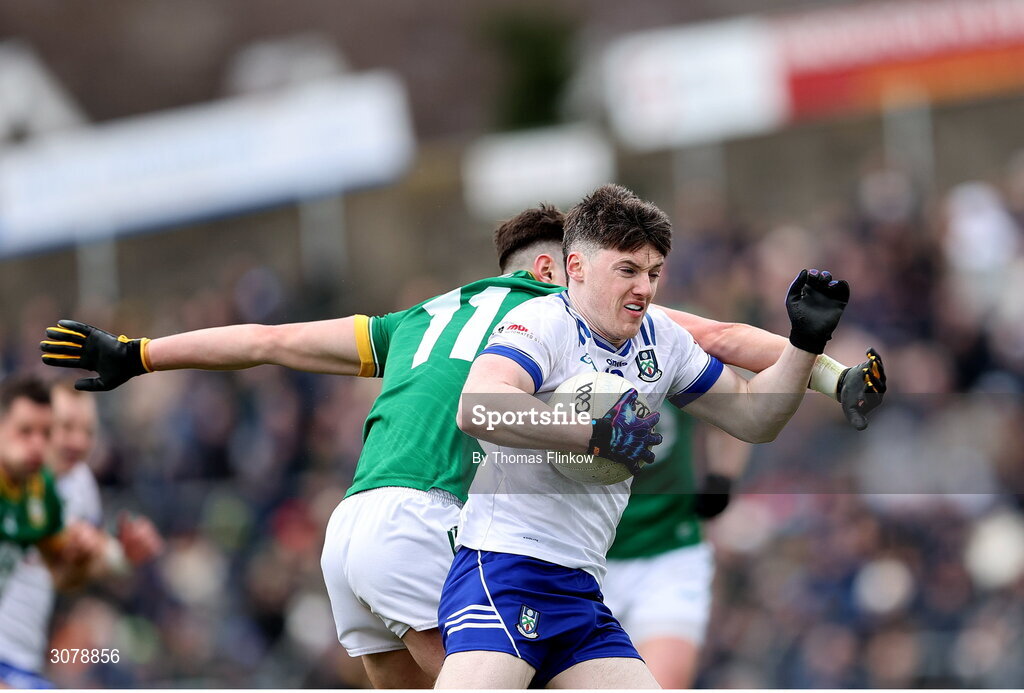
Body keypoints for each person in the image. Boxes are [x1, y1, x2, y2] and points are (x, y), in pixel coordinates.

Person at [40, 205, 883, 688]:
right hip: (445, 528)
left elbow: (269, 337)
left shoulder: (423, 316)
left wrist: (140, 353)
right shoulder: (552, 318)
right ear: (562, 269)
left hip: (354, 528)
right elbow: (730, 336)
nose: (641, 288)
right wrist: (832, 372)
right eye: (619, 270)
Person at [437, 184, 851, 688]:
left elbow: (752, 418)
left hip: (581, 587)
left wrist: (803, 347)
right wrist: (591, 434)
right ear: (576, 268)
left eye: (653, 273)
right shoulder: (540, 322)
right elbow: (477, 406)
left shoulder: (662, 339)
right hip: (505, 570)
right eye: (627, 271)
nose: (645, 288)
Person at [0, 381, 163, 688]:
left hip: (24, 660)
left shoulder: (70, 488)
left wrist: (121, 556)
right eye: (65, 427)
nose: (77, 441)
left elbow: (64, 573)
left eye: (88, 431)